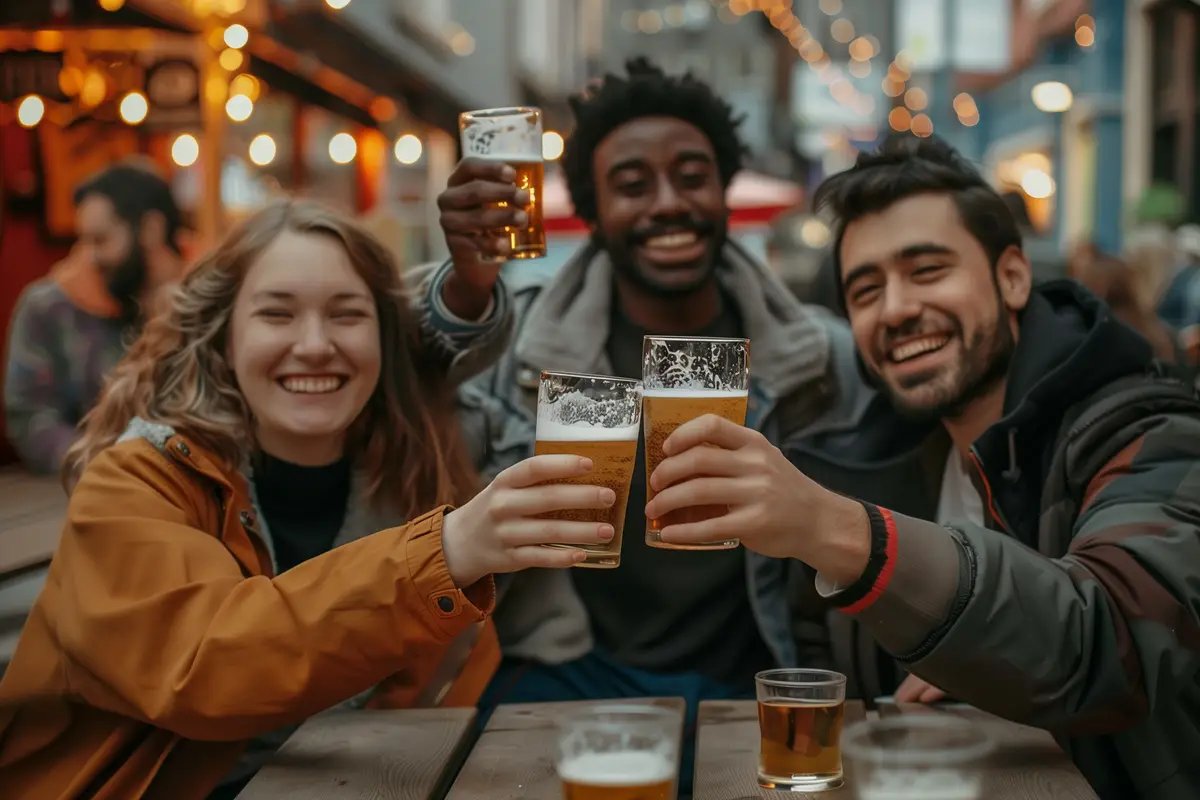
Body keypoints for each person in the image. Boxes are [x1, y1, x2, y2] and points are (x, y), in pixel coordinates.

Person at [0, 200, 617, 799]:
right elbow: (206, 671)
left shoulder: (420, 462)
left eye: (347, 314)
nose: (316, 344)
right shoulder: (133, 482)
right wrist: (447, 551)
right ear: (223, 337)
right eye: (277, 314)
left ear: (384, 339)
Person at [645, 135, 1200, 799]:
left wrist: (845, 535)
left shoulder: (1151, 432)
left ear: (1013, 276)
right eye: (866, 289)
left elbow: (1113, 644)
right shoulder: (857, 460)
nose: (898, 308)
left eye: (928, 270)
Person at [427, 58, 871, 732]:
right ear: (595, 211)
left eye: (692, 177)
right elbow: (399, 375)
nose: (667, 202)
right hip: (563, 674)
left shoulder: (822, 355)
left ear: (724, 190)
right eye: (631, 185)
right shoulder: (520, 341)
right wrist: (464, 288)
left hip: (759, 677)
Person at [4, 163, 188, 473]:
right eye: (84, 239)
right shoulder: (48, 306)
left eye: (101, 240)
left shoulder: (204, 299)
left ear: (150, 230)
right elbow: (28, 415)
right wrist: (100, 464)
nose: (89, 256)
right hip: (80, 491)